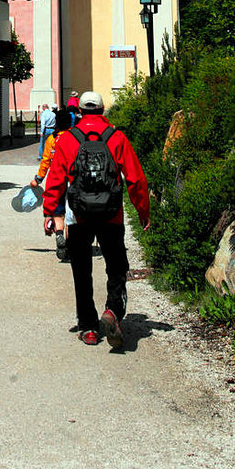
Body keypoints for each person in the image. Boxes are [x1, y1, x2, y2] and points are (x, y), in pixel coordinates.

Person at [42, 91, 150, 348]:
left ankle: (89, 327)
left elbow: (56, 179)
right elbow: (135, 179)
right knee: (116, 266)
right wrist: (143, 210)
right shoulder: (117, 138)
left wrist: (49, 212)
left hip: (79, 216)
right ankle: (112, 312)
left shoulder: (68, 139)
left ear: (79, 112)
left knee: (82, 270)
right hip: (112, 215)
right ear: (103, 111)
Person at [30, 107, 71, 260]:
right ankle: (69, 242)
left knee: (58, 212)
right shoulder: (74, 138)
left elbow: (45, 161)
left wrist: (38, 179)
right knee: (72, 215)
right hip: (72, 181)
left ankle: (59, 234)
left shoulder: (51, 140)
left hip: (56, 180)